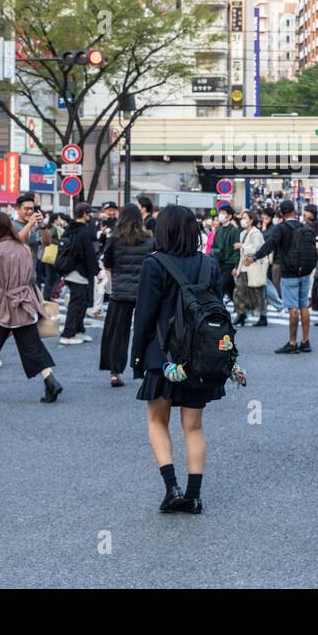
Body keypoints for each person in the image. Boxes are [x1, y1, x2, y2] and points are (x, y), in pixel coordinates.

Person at [131, 205, 244, 514]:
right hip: (200, 354)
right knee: (193, 426)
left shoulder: (154, 264)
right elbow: (218, 309)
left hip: (163, 355)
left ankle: (172, 488)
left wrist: (137, 358)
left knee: (157, 420)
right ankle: (194, 495)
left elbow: (144, 315)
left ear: (162, 230)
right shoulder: (208, 263)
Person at [0, 212, 61, 403]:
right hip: (25, 304)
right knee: (32, 347)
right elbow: (32, 277)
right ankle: (51, 381)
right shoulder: (23, 248)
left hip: (4, 306)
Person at [245, 199, 315, 354]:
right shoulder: (304, 227)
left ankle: (292, 342)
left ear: (281, 214)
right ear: (294, 212)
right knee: (304, 305)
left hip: (289, 273)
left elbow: (270, 245)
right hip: (305, 272)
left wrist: (254, 257)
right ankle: (305, 341)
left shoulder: (281, 228)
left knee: (292, 308)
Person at [100, 204, 154, 387]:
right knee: (147, 331)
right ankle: (148, 368)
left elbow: (107, 262)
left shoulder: (115, 238)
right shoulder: (149, 239)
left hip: (120, 291)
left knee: (118, 333)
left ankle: (115, 371)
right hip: (144, 292)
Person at [57, 203, 98, 346]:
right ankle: (68, 334)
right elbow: (89, 254)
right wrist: (97, 271)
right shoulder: (82, 231)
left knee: (81, 302)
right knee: (77, 304)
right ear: (85, 214)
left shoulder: (70, 229)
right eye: (89, 213)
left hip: (69, 270)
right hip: (78, 272)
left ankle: (78, 330)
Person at [233, 209, 268, 327]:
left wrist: (243, 246)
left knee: (257, 292)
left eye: (245, 218)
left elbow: (258, 249)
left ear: (251, 220)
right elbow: (242, 254)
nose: (242, 221)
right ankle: (241, 314)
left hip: (254, 266)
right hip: (244, 266)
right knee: (239, 291)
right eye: (242, 218)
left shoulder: (256, 233)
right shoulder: (242, 233)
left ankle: (263, 316)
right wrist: (237, 268)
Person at [210, 205, 241, 304]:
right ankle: (240, 309)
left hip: (229, 263)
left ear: (229, 216)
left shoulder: (234, 230)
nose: (220, 215)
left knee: (221, 286)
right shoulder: (218, 230)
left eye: (223, 213)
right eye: (220, 213)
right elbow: (213, 246)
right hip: (219, 262)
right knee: (230, 288)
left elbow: (236, 249)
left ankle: (218, 310)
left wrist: (236, 266)